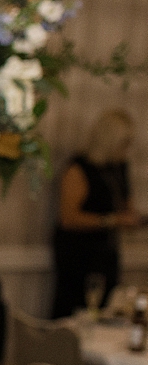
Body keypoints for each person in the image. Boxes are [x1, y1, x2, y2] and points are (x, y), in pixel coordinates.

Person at [50, 108, 144, 317]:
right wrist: (112, 220)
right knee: (75, 307)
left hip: (106, 252)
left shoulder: (118, 168)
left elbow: (126, 205)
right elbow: (68, 218)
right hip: (79, 253)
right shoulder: (78, 169)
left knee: (105, 309)